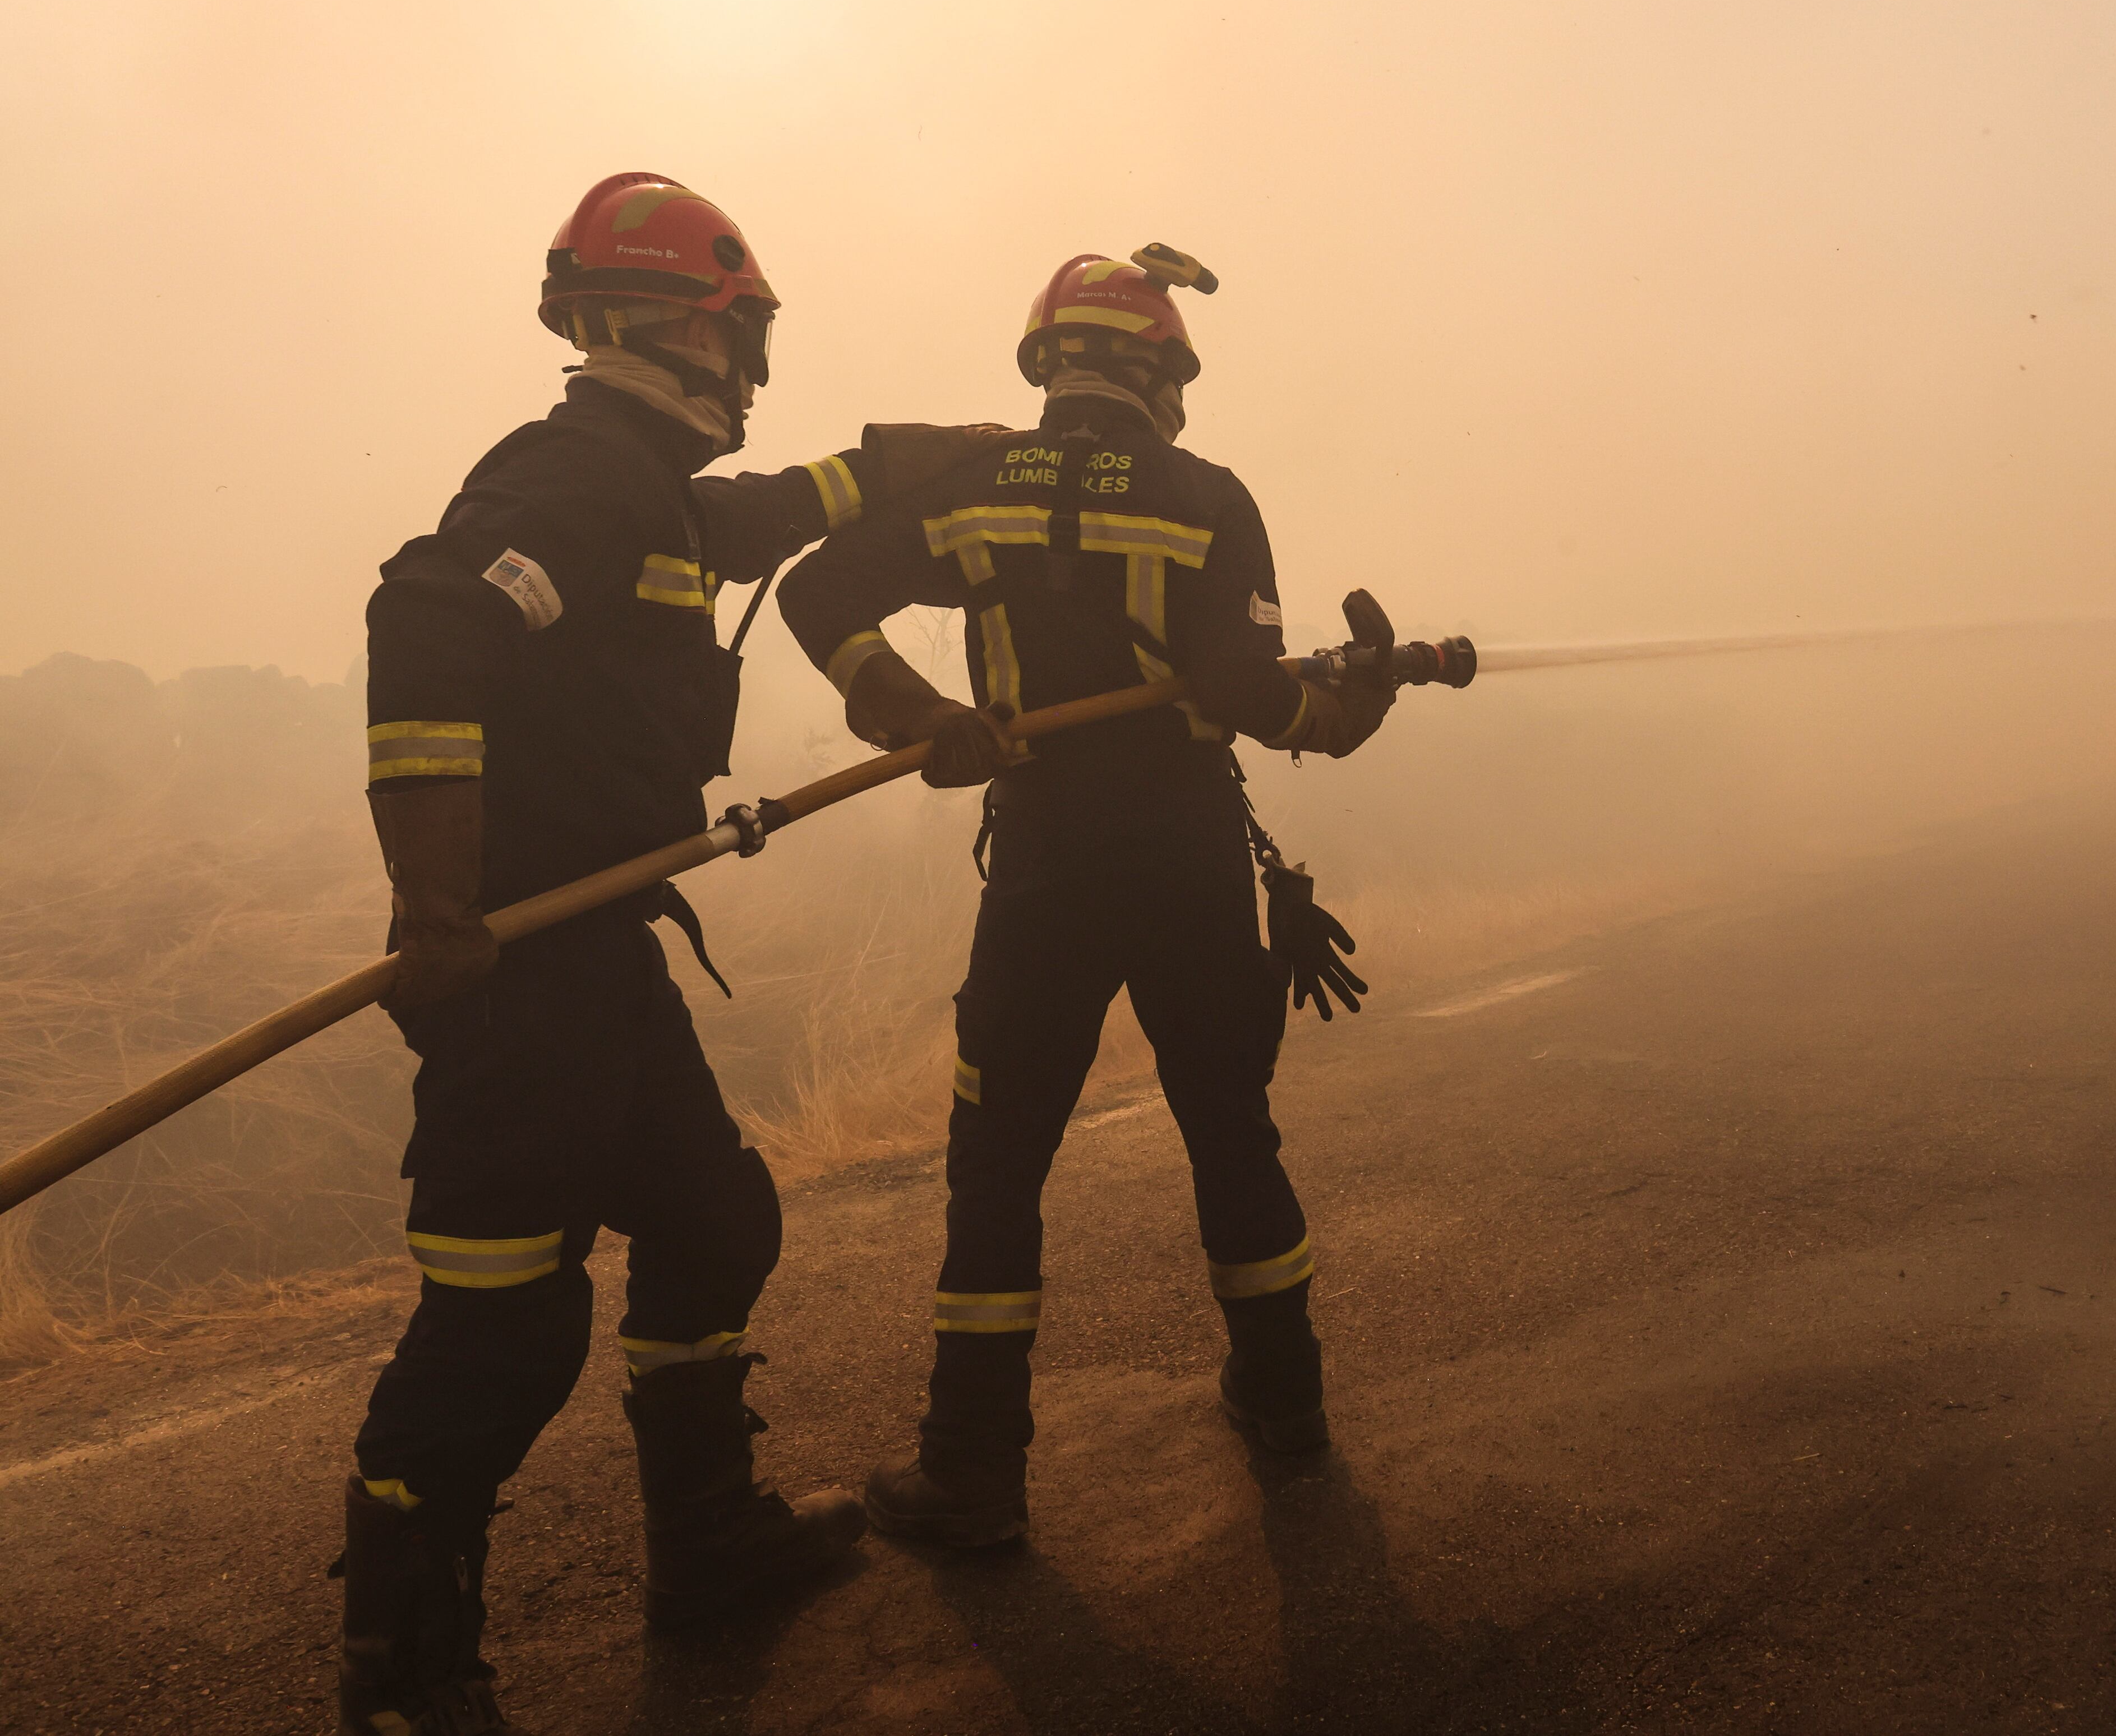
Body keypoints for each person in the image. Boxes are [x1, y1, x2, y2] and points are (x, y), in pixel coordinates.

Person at [343, 173, 893, 1733]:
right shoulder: (580, 470)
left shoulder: (647, 486)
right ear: (680, 329)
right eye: (746, 335)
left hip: (600, 956)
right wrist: (440, 901)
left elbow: (758, 517)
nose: (753, 370)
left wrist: (927, 468)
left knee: (713, 1216)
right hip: (522, 979)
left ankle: (708, 1545)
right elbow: (429, 619)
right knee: (504, 1326)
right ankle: (403, 1676)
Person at [772, 247, 1389, 1548]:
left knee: (1000, 1163)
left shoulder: (979, 486)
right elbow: (1237, 686)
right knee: (1230, 1126)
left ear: (1047, 365)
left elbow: (817, 585)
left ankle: (973, 1471)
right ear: (1163, 371)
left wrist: (908, 708)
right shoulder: (1207, 495)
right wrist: (1345, 709)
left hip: (1047, 865)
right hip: (1187, 858)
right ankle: (1285, 1407)